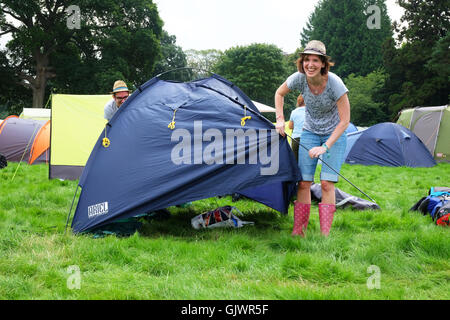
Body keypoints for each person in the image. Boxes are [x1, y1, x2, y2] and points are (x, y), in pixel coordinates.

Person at [275, 40, 350, 237]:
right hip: (309, 131)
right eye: (306, 59)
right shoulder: (299, 79)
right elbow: (279, 93)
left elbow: (345, 121)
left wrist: (325, 146)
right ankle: (299, 232)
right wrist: (280, 119)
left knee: (326, 183)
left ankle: (325, 236)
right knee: (304, 183)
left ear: (324, 63)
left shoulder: (335, 83)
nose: (310, 64)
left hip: (334, 134)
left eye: (315, 60)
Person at [288, 94, 306, 164]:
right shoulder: (310, 111)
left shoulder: (294, 111)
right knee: (305, 162)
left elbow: (290, 126)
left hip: (295, 138)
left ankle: (295, 174)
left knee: (295, 161)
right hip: (306, 138)